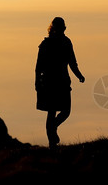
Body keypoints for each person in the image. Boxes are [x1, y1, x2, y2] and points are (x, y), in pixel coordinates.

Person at [35, 17, 85, 148]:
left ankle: (52, 131)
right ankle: (52, 141)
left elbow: (72, 63)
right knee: (58, 111)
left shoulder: (52, 43)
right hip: (55, 82)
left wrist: (79, 75)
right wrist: (79, 75)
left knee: (57, 111)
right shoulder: (57, 43)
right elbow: (39, 66)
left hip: (53, 82)